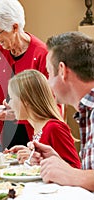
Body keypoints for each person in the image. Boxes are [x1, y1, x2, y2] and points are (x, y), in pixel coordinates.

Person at [29, 32, 94, 191]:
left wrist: (72, 174)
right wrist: (58, 163)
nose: (49, 84)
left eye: (49, 73)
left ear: (62, 70)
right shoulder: (87, 112)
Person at [0, 0, 48, 149]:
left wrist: (15, 114)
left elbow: (51, 107)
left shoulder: (42, 54)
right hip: (7, 137)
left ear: (14, 27)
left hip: (38, 139)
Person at [4, 69, 80, 168]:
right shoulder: (36, 128)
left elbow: (75, 168)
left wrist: (38, 160)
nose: (9, 104)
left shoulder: (54, 128)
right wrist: (30, 153)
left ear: (26, 100)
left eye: (12, 98)